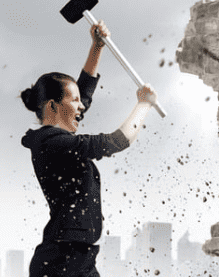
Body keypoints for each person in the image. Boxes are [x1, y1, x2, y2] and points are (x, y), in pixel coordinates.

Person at [20, 21, 157, 277]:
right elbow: (116, 141)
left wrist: (97, 47)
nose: (81, 106)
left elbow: (83, 97)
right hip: (62, 262)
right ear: (52, 106)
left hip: (78, 258)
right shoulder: (53, 143)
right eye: (73, 101)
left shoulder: (53, 137)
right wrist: (144, 105)